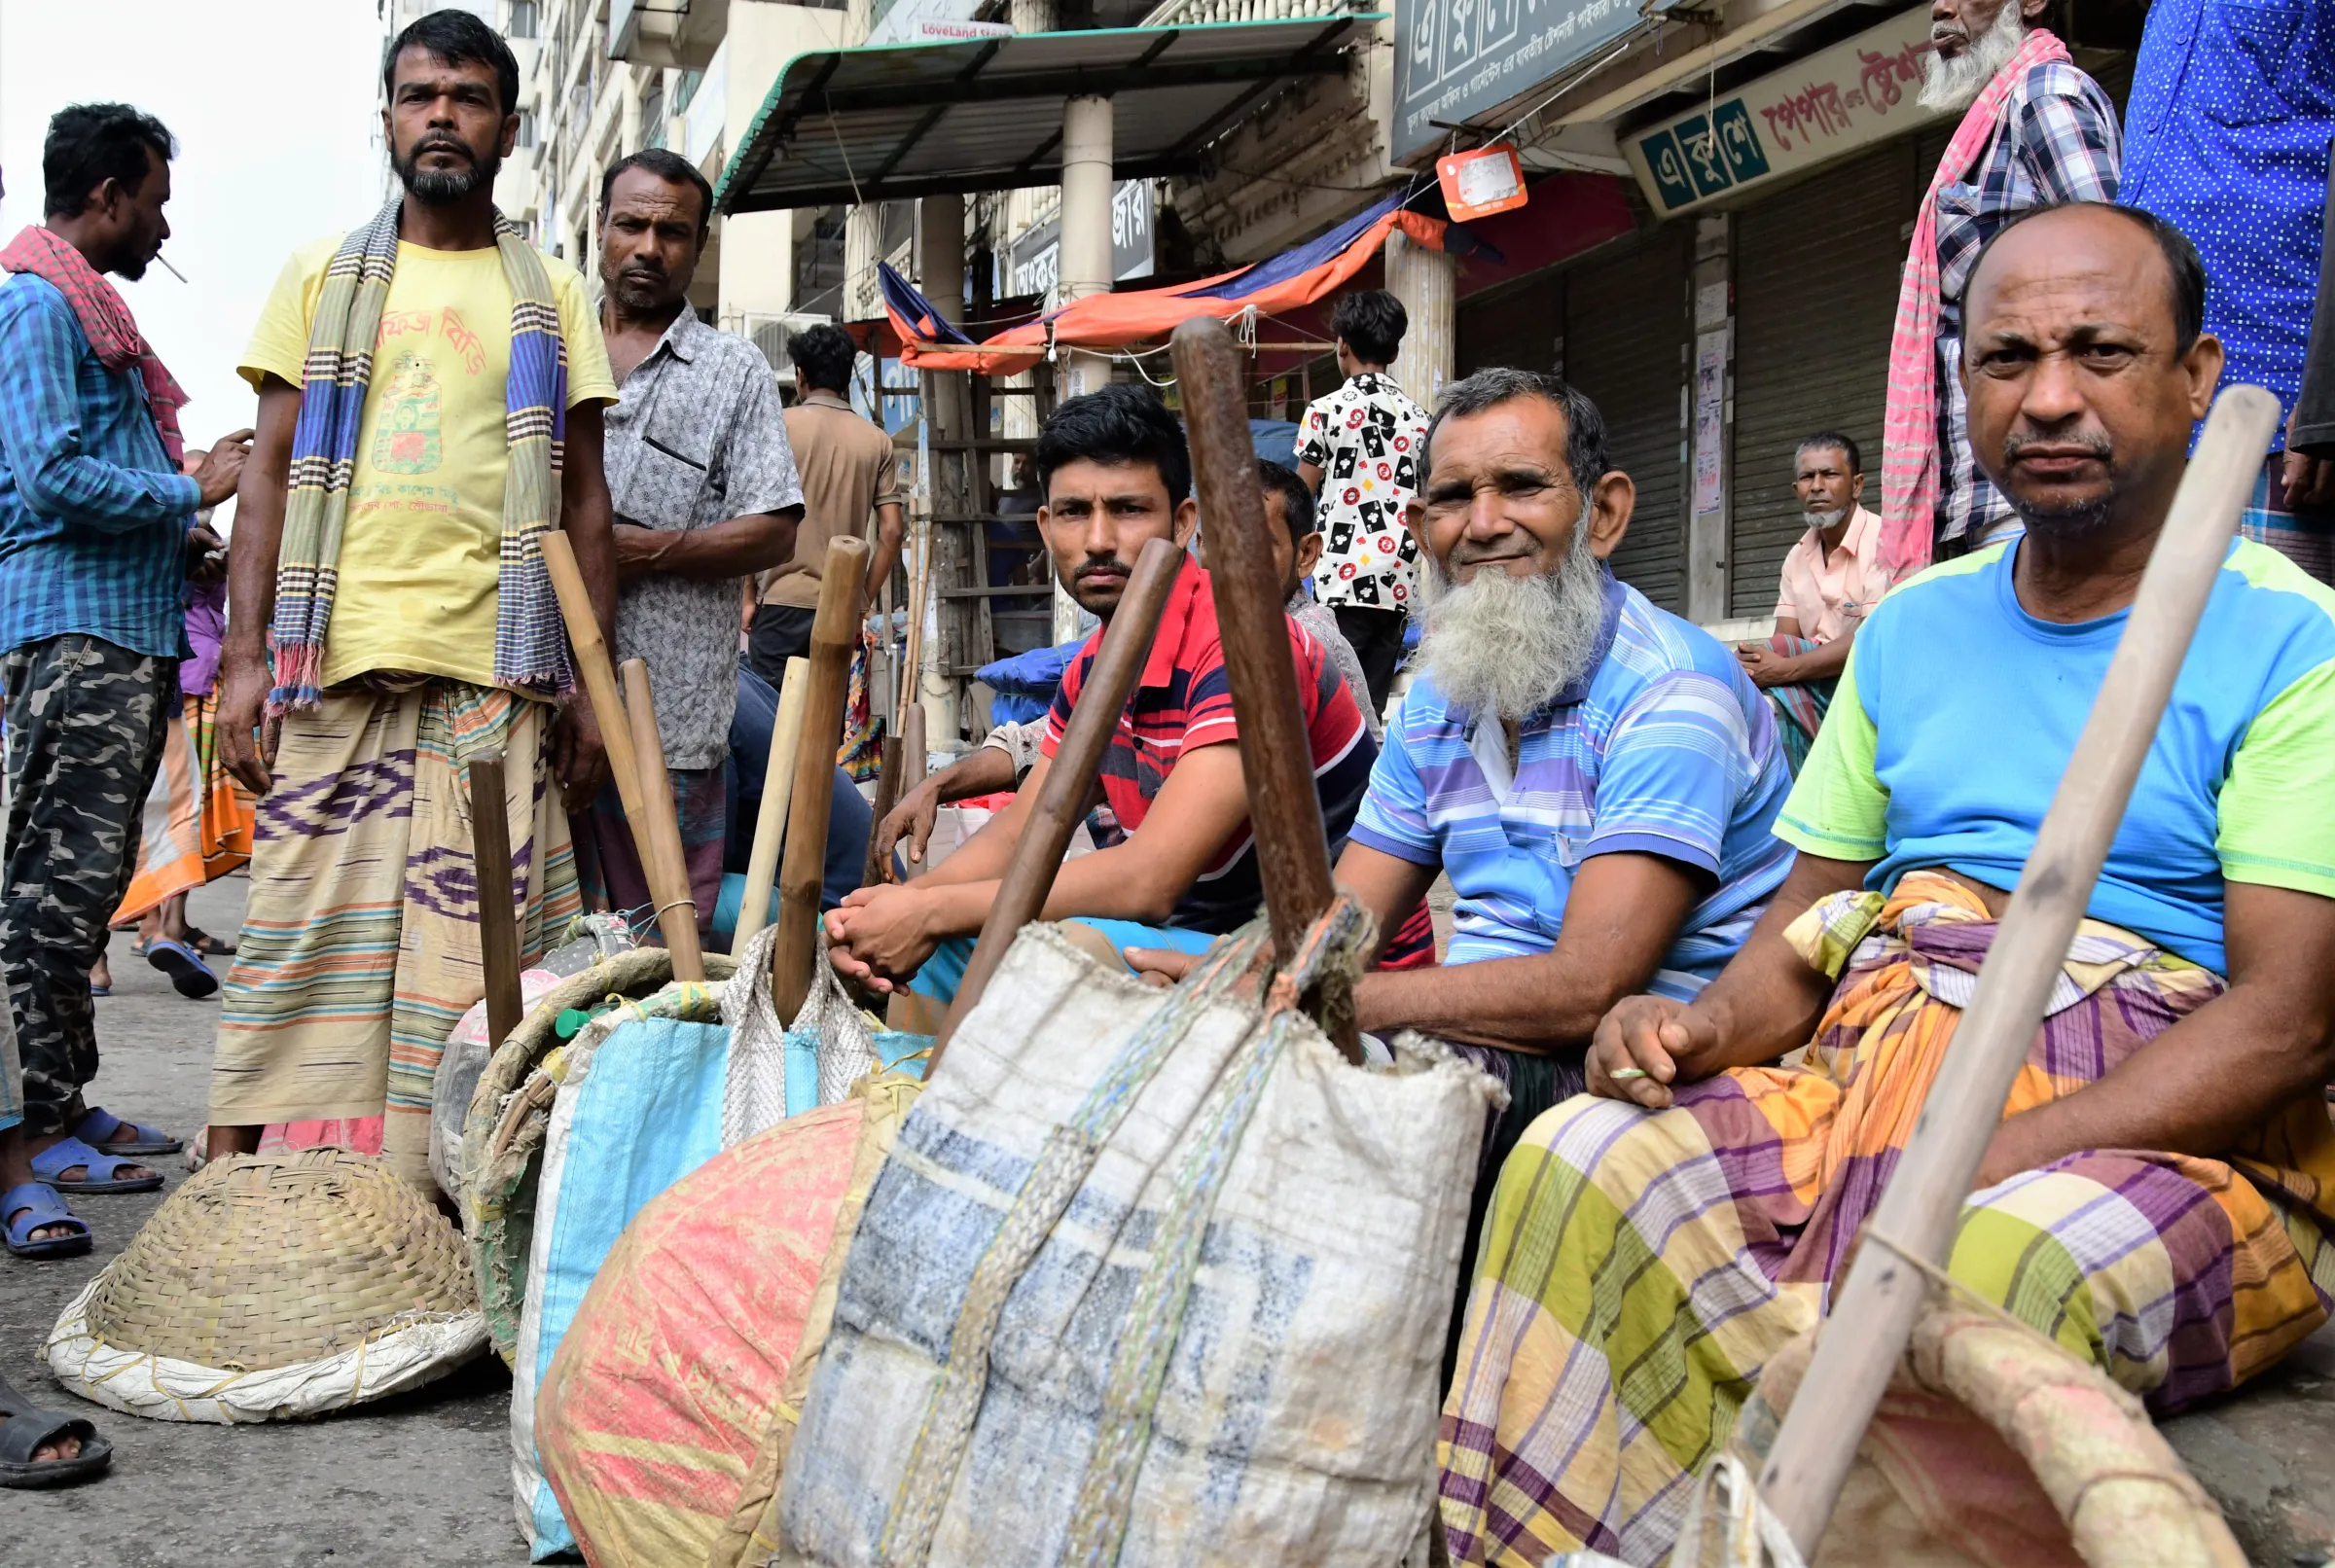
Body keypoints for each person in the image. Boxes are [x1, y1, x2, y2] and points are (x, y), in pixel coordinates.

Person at [1438, 203, 2335, 1568]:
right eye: (2006, 358)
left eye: (2100, 352)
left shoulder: (2293, 639)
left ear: (2198, 375)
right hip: (1877, 1075)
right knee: (1581, 1159)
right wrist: (1688, 1031)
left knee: (1981, 1266)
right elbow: (1807, 928)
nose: (2048, 397)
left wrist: (2010, 1141)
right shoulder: (1912, 627)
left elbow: (2289, 1025)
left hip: (2169, 1132)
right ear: (1959, 382)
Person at [1261, 368, 1792, 1326]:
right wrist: (1272, 984)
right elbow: (1347, 921)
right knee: (1260, 1091)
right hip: (1497, 1045)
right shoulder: (1436, 698)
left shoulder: (1673, 691)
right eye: (1456, 497)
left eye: (1523, 486)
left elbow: (1589, 987)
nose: (1486, 522)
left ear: (1603, 514)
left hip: (1660, 1064)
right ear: (1422, 530)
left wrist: (1333, 1000)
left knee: (1373, 1128)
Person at [201, 10, 619, 1190]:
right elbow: (272, 473)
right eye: (420, 93)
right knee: (294, 942)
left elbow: (586, 504)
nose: (442, 115)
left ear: (508, 126)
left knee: (483, 975)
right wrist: (242, 659)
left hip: (500, 669)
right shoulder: (321, 275)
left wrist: (590, 690)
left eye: (468, 97)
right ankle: (220, 1204)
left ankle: (446, 1215)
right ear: (386, 117)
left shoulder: (551, 291)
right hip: (335, 662)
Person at [825, 384, 1429, 1015]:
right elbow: (1024, 830)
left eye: (1129, 509)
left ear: (1185, 522)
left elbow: (1150, 880)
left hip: (1329, 973)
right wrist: (878, 913)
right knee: (927, 949)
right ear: (1045, 525)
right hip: (1193, 945)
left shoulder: (1249, 646)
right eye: (1073, 512)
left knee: (1048, 955)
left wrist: (931, 907)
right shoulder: (1094, 665)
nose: (1098, 540)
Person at [0, 102, 253, 1242]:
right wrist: (188, 492)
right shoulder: (39, 306)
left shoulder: (75, 306)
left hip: (117, 626)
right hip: (72, 634)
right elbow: (53, 476)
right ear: (107, 196)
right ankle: (36, 1122)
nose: (161, 225)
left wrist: (176, 529)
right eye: (153, 199)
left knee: (86, 888)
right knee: (51, 894)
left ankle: (65, 1104)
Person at [576, 149, 802, 941]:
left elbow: (776, 525)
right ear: (598, 230)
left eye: (672, 232)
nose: (648, 247)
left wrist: (641, 551)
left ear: (698, 247)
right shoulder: (548, 350)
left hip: (670, 718)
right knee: (545, 939)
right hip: (535, 695)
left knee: (659, 944)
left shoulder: (731, 369)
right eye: (630, 224)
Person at [1877, 0, 2119, 577]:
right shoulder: (1992, 120)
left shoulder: (2045, 94)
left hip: (2033, 494)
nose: (1940, 6)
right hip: (1982, 498)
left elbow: (2114, 278)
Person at [2122, 0, 2335, 580]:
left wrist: (2325, 404)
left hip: (2276, 399)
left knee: (2282, 656)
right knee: (2169, 660)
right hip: (2158, 419)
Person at [105, 445, 254, 1001]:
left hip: (172, 680)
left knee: (177, 811)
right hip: (138, 675)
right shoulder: (148, 518)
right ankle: (123, 940)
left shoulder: (193, 537)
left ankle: (165, 929)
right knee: (119, 814)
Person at [1294, 289, 1427, 715]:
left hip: (1342, 579)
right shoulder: (1421, 420)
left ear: (1342, 345)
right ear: (1393, 349)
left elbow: (1300, 495)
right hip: (1398, 583)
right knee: (1371, 703)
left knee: (1333, 707)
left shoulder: (1326, 411)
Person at [746, 323, 902, 685]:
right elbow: (892, 532)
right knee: (826, 728)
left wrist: (748, 596)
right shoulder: (877, 442)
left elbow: (751, 512)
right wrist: (860, 598)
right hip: (839, 606)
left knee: (769, 728)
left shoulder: (777, 427)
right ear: (847, 379)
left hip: (779, 602)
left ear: (801, 376)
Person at [1735, 433, 1892, 773]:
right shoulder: (1797, 556)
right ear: (1797, 491)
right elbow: (1785, 640)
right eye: (1807, 477)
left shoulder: (1885, 541)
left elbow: (1873, 640)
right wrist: (1754, 663)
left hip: (1871, 683)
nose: (1817, 486)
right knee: (1750, 692)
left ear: (1857, 485)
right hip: (1813, 681)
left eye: (1830, 475)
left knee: (1773, 701)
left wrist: (1783, 669)